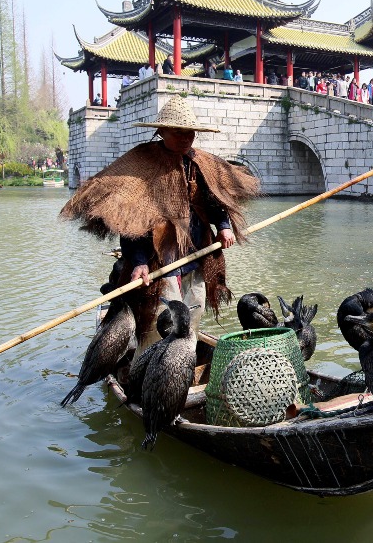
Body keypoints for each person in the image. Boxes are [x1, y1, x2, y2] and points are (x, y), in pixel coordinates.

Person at [60, 95, 259, 354]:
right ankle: (149, 368)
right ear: (161, 131)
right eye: (177, 132)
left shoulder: (201, 162)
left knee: (194, 309)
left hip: (196, 254)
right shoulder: (141, 163)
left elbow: (214, 199)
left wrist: (223, 225)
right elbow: (130, 220)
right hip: (160, 261)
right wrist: (140, 261)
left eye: (189, 132)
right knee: (162, 319)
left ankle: (183, 361)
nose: (185, 137)